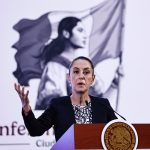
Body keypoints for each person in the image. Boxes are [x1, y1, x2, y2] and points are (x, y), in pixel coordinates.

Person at [14, 56, 117, 141]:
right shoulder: (58, 105)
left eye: (86, 72)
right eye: (76, 72)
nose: (81, 76)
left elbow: (119, 132)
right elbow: (35, 130)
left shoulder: (102, 105)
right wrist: (26, 108)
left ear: (93, 79)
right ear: (68, 77)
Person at [35, 16, 104, 110]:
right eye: (80, 30)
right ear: (66, 33)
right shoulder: (55, 65)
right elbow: (53, 103)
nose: (85, 35)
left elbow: (99, 101)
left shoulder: (85, 65)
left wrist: (114, 84)